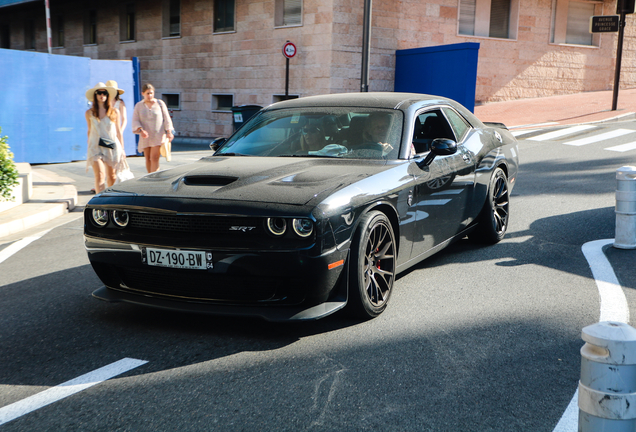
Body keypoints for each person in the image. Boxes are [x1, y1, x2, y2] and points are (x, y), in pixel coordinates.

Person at [84, 82, 124, 193]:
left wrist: (122, 150)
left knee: (112, 176)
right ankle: (99, 204)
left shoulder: (114, 112)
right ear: (95, 95)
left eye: (105, 93)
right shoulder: (89, 113)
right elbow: (89, 130)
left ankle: (110, 202)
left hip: (111, 147)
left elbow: (119, 132)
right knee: (100, 175)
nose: (102, 95)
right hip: (95, 147)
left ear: (108, 96)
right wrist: (89, 146)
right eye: (99, 93)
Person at [132, 83, 174, 173]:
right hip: (145, 136)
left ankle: (154, 178)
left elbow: (166, 118)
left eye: (151, 93)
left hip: (158, 135)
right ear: (142, 93)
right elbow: (135, 120)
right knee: (148, 158)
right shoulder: (139, 105)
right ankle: (149, 177)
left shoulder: (160, 103)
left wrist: (169, 132)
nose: (150, 95)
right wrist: (140, 130)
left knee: (154, 157)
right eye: (147, 93)